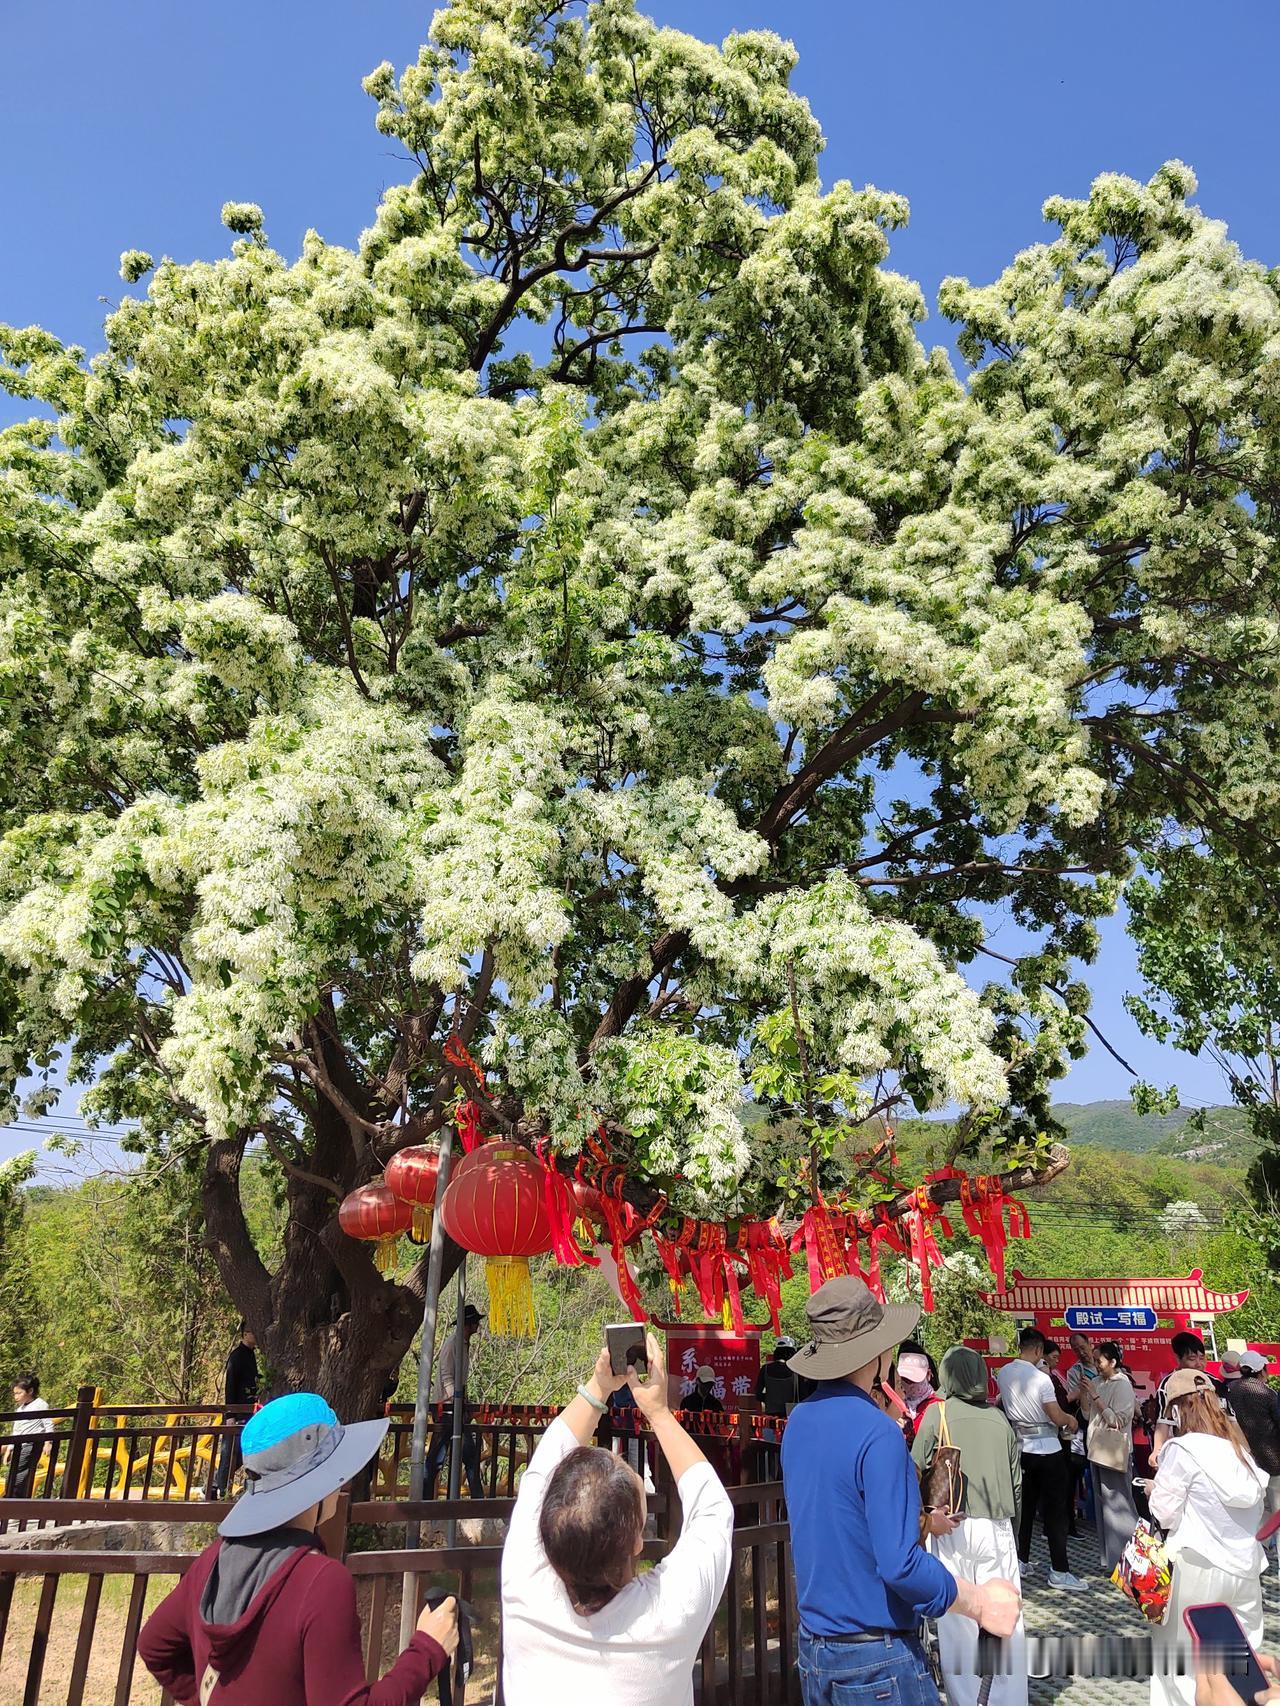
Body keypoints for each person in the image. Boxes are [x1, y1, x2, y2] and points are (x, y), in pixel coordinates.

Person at [783, 1276, 1020, 1706]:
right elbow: (900, 1564)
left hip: (815, 1649)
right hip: (877, 1658)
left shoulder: (798, 1423)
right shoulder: (879, 1434)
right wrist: (979, 1602)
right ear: (877, 1354)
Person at [138, 1391, 458, 1704]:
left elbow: (154, 1645)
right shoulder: (322, 1581)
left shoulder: (215, 1559)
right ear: (318, 1482)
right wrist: (428, 1648)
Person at [500, 1332, 733, 1706]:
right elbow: (714, 1507)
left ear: (546, 1526)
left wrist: (598, 1386)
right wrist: (658, 1412)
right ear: (637, 1543)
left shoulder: (524, 1584)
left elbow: (542, 1464)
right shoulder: (669, 1614)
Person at [911, 1346, 1027, 1706]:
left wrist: (921, 1524)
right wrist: (1014, 1531)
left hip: (951, 1526)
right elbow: (1017, 1484)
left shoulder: (936, 1415)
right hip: (998, 1526)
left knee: (957, 1616)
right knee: (1005, 1614)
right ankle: (1008, 1699)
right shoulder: (999, 1420)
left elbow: (913, 1468)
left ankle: (967, 1698)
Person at [1149, 1368, 1268, 1706]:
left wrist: (1155, 1488)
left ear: (1176, 1410)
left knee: (1181, 1666)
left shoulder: (1182, 1450)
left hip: (1195, 1567)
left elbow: (1164, 1513)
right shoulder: (1239, 1450)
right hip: (1244, 1568)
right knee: (1241, 1666)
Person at [995, 1327, 1088, 1591]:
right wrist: (1070, 1420)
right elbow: (1056, 1416)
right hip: (1047, 1447)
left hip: (1020, 1447)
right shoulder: (1040, 1379)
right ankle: (1059, 1569)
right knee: (1055, 1511)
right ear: (1038, 1350)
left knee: (1025, 1507)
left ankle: (1021, 1560)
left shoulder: (1004, 1372)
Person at [1081, 1340, 1139, 1574]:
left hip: (1114, 1451)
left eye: (1099, 1361)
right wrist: (1087, 1394)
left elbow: (1119, 1420)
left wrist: (1095, 1397)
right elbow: (1088, 1415)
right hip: (1097, 1449)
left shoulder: (1122, 1384)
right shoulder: (1096, 1382)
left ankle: (1131, 1559)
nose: (1096, 1365)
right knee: (1105, 1506)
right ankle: (1112, 1560)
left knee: (1120, 1505)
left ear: (1113, 1362)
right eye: (1095, 1360)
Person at [1227, 1350, 1280, 1566]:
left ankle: (1255, 1546)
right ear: (1261, 1370)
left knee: (1258, 1507)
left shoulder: (1232, 1390)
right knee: (1277, 1507)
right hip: (1274, 1456)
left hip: (1247, 1458)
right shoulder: (1267, 1393)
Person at [425, 1303, 483, 1497]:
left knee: (470, 1456)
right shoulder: (453, 1344)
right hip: (447, 1408)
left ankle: (477, 1503)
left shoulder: (463, 1344)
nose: (477, 1326)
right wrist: (455, 1400)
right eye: (474, 1322)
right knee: (436, 1459)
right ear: (468, 1324)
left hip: (457, 1407)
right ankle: (424, 1501)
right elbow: (447, 1375)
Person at [1152, 1334, 1221, 1466]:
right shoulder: (1168, 1384)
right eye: (1192, 1359)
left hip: (1217, 1445)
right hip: (1186, 1448)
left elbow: (1230, 1418)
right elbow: (1163, 1421)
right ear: (1178, 1358)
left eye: (1202, 1358)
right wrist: (1157, 1450)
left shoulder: (1214, 1383)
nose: (1199, 1364)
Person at [212, 1324, 260, 1499]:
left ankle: (214, 1483)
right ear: (246, 1334)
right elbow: (230, 1386)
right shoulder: (237, 1356)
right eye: (254, 1333)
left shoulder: (251, 1355)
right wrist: (230, 1414)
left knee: (240, 1454)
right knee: (230, 1452)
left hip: (248, 1412)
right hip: (237, 1412)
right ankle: (221, 1490)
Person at [4, 1373, 50, 1497]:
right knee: (14, 1472)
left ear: (30, 1391)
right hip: (19, 1444)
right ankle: (12, 1498)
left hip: (31, 1444)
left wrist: (47, 1442)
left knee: (19, 1473)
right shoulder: (20, 1409)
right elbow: (16, 1430)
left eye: (19, 1393)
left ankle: (12, 1498)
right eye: (15, 1393)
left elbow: (48, 1424)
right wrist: (9, 1448)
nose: (16, 1397)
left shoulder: (40, 1404)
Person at [897, 1342, 941, 1437]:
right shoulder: (894, 1405)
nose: (910, 1385)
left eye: (915, 1379)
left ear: (928, 1375)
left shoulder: (938, 1406)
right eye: (905, 1379)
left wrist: (912, 1432)